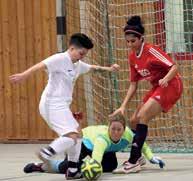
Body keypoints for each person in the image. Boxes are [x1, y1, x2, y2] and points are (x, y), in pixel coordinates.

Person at [9, 33, 120, 180]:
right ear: (72, 48)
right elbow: (41, 65)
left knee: (79, 135)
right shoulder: (60, 58)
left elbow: (93, 68)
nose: (82, 56)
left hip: (62, 106)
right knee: (72, 136)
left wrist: (109, 69)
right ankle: (47, 153)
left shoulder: (77, 65)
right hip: (51, 104)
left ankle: (73, 170)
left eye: (84, 54)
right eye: (81, 53)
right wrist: (24, 75)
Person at [109, 16, 183, 173]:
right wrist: (123, 106)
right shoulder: (131, 57)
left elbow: (174, 66)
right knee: (134, 120)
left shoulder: (151, 50)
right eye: (127, 42)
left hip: (171, 85)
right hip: (157, 87)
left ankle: (133, 160)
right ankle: (140, 158)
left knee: (143, 116)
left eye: (133, 41)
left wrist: (165, 79)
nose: (130, 45)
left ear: (141, 38)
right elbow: (133, 84)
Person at [23, 113, 165, 177]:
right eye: (113, 129)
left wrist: (151, 157)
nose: (115, 132)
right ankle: (41, 166)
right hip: (84, 143)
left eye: (119, 129)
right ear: (108, 128)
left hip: (107, 151)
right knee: (71, 169)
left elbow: (140, 144)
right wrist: (91, 169)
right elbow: (96, 158)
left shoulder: (128, 134)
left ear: (123, 129)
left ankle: (136, 161)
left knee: (110, 167)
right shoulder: (102, 139)